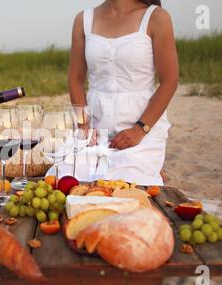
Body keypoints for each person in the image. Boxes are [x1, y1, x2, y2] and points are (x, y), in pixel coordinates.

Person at [68, 0, 179, 185]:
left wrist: (139, 130)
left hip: (142, 130)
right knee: (66, 178)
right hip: (95, 131)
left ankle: (151, 166)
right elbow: (75, 79)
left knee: (125, 186)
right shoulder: (83, 20)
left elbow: (169, 81)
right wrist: (83, 124)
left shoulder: (157, 18)